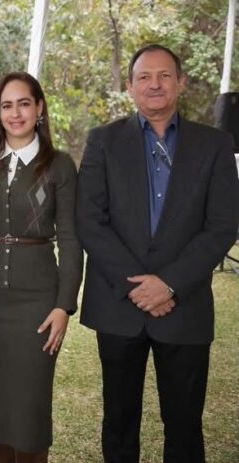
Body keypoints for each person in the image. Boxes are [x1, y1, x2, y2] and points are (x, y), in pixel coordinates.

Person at [76, 44, 239, 462]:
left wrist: (169, 283)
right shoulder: (103, 141)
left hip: (184, 307)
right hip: (119, 307)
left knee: (185, 425)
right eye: (144, 77)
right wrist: (137, 286)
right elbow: (90, 221)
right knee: (118, 422)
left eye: (165, 75)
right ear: (130, 87)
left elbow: (222, 225)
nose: (154, 84)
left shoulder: (215, 145)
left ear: (180, 83)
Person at [0, 72, 82, 463]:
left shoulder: (60, 165)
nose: (15, 114)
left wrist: (64, 306)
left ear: (39, 108)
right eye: (7, 106)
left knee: (30, 409)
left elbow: (71, 239)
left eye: (24, 104)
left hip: (38, 304)